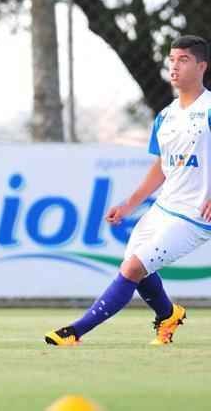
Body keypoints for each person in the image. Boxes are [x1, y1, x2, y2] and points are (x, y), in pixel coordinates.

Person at [46, 34, 211, 347]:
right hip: (164, 208)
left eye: (184, 60)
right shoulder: (166, 116)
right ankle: (169, 315)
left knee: (133, 267)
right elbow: (162, 166)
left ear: (202, 66)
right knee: (138, 267)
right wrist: (128, 205)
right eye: (172, 59)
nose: (174, 66)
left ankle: (76, 332)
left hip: (195, 214)